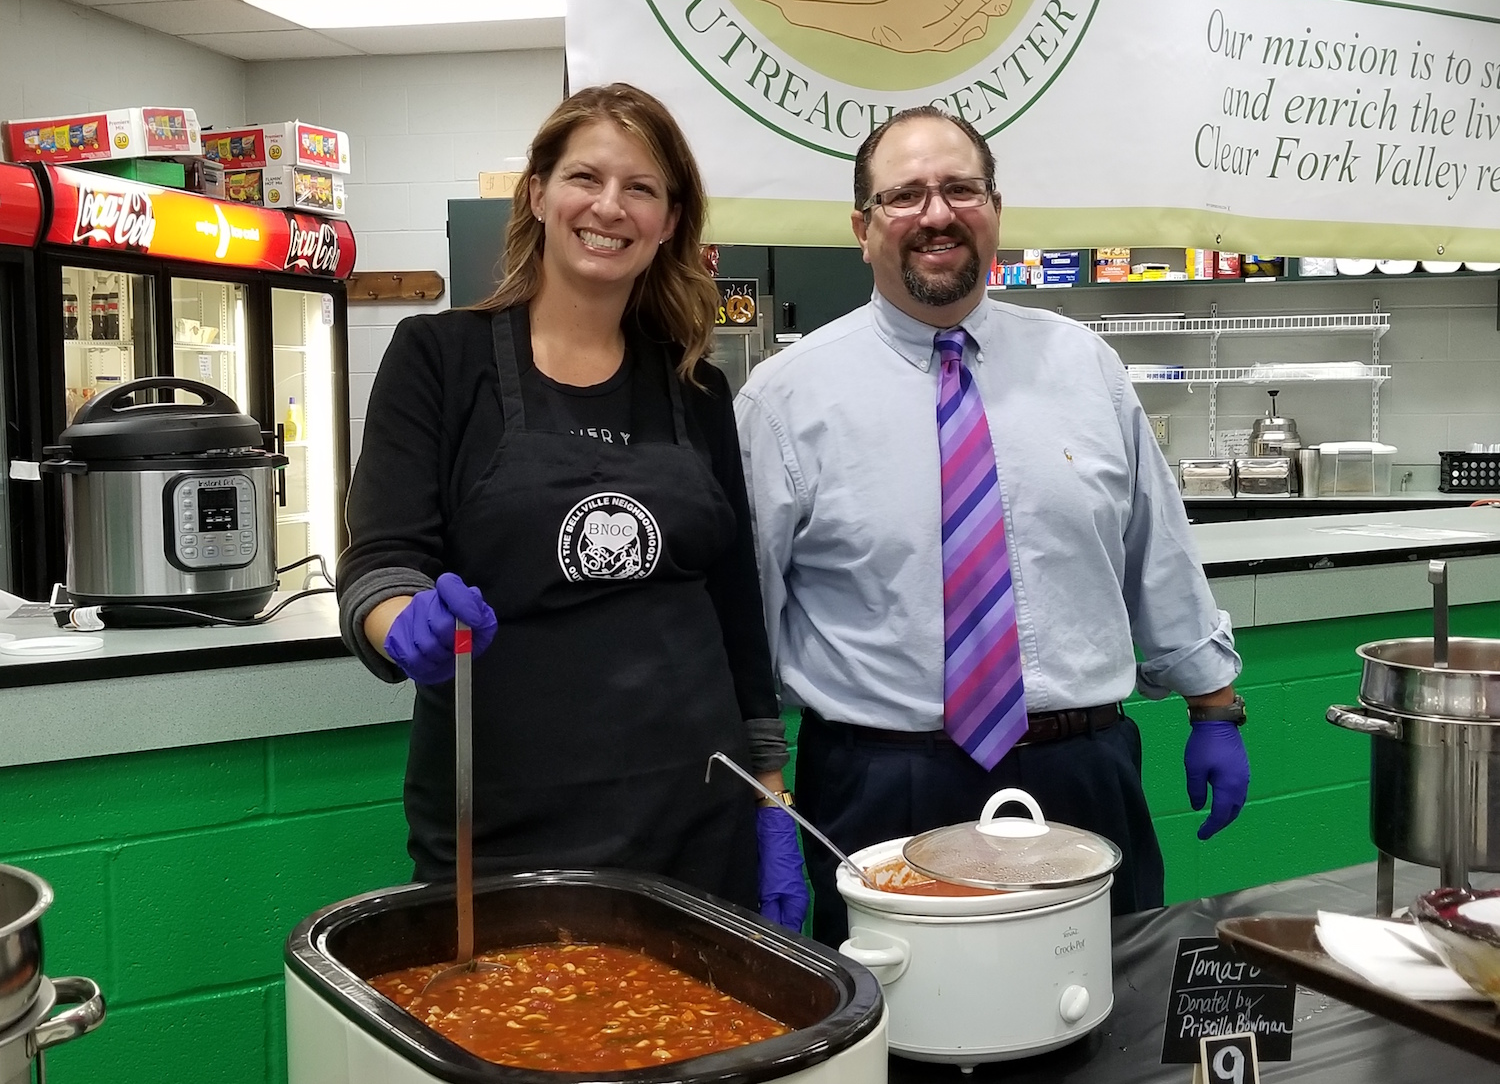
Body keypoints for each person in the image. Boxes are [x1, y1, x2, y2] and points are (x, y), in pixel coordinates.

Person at [734, 106, 1250, 947]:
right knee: (902, 1044)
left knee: (1104, 1027)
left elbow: (1157, 554)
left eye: (960, 189)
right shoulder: (786, 400)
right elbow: (746, 624)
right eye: (905, 196)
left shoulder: (1086, 368)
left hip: (1081, 772)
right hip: (881, 784)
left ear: (995, 211)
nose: (937, 214)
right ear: (862, 228)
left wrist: (1214, 709)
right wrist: (759, 803)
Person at [336, 82, 808, 932]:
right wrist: (403, 622)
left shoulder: (694, 385)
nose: (609, 206)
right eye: (585, 177)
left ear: (669, 221)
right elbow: (380, 563)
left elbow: (737, 613)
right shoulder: (438, 360)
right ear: (538, 194)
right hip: (504, 829)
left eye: (642, 189)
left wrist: (770, 799)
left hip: (696, 819)